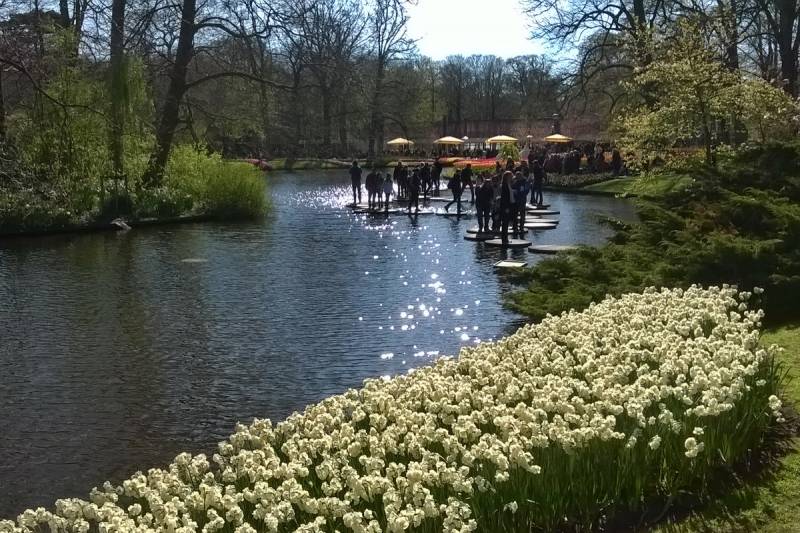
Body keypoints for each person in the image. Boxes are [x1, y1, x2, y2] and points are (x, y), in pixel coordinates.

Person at [512, 171, 530, 239]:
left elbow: (527, 190)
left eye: (519, 176)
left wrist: (521, 194)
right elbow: (512, 188)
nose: (517, 177)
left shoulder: (525, 182)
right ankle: (515, 227)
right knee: (515, 214)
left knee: (522, 214)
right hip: (516, 201)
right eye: (517, 176)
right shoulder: (515, 182)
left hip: (522, 200)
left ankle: (521, 227)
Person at [500, 171, 514, 244]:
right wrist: (506, 207)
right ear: (507, 177)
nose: (512, 177)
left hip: (509, 205)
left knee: (506, 223)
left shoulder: (508, 184)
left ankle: (505, 238)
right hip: (505, 206)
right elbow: (504, 198)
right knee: (505, 223)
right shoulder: (504, 185)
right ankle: (504, 239)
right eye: (510, 176)